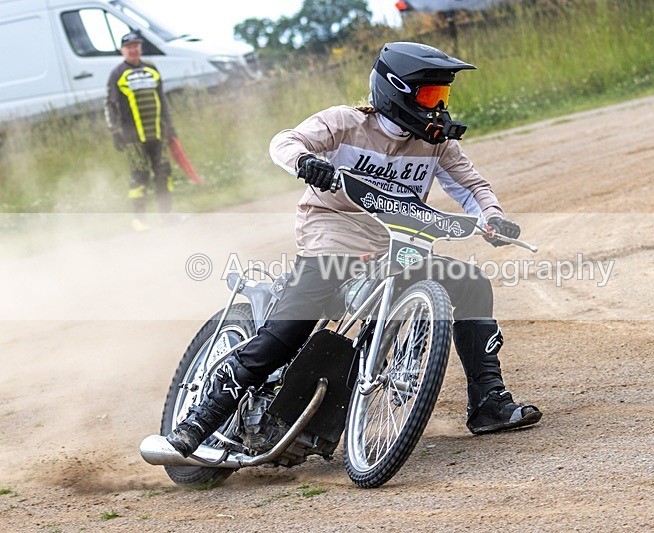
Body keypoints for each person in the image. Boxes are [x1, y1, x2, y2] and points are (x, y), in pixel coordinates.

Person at [167, 42, 542, 458]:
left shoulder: (437, 142)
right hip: (332, 235)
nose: (438, 108)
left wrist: (491, 216)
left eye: (443, 97)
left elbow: (472, 187)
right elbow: (284, 141)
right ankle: (203, 415)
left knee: (471, 284)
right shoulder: (345, 123)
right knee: (290, 329)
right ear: (396, 91)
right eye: (430, 96)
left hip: (394, 245)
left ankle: (488, 402)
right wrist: (304, 162)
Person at [104, 31, 176, 231]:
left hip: (158, 133)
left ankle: (166, 216)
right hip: (132, 137)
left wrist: (170, 128)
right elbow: (109, 104)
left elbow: (163, 99)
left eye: (136, 46)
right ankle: (139, 220)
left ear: (140, 48)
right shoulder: (117, 73)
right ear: (122, 51)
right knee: (140, 175)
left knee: (164, 174)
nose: (133, 50)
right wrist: (114, 131)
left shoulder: (152, 69)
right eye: (129, 47)